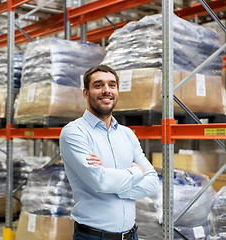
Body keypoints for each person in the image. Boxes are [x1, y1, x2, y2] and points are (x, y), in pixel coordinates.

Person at [59, 64, 159, 240]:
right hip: (93, 236)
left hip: (131, 235)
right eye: (98, 85)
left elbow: (152, 183)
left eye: (112, 85)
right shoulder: (74, 132)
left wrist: (116, 186)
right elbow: (100, 182)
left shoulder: (127, 134)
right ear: (86, 93)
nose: (107, 90)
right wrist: (136, 173)